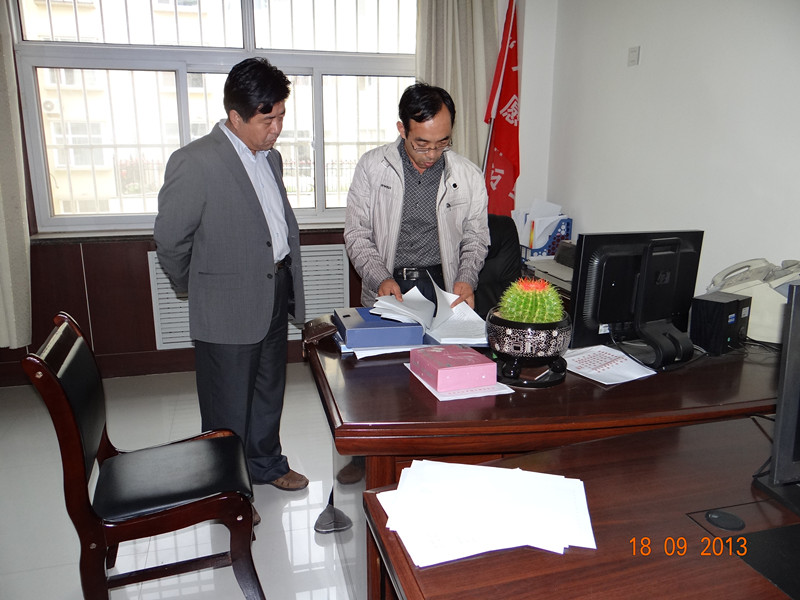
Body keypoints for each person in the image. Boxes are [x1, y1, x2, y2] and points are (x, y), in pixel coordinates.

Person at [154, 57, 308, 492]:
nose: (277, 129)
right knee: (227, 405)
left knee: (268, 390)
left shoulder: (270, 159)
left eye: (281, 117)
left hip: (273, 289)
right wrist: (198, 287)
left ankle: (266, 464)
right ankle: (227, 490)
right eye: (267, 120)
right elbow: (171, 240)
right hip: (225, 305)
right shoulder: (194, 162)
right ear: (236, 117)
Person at [344, 82, 490, 309]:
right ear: (402, 130)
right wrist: (380, 277)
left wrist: (466, 277)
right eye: (422, 144)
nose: (432, 154)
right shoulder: (372, 166)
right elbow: (357, 233)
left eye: (442, 143)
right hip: (389, 283)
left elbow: (476, 237)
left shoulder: (468, 175)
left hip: (443, 286)